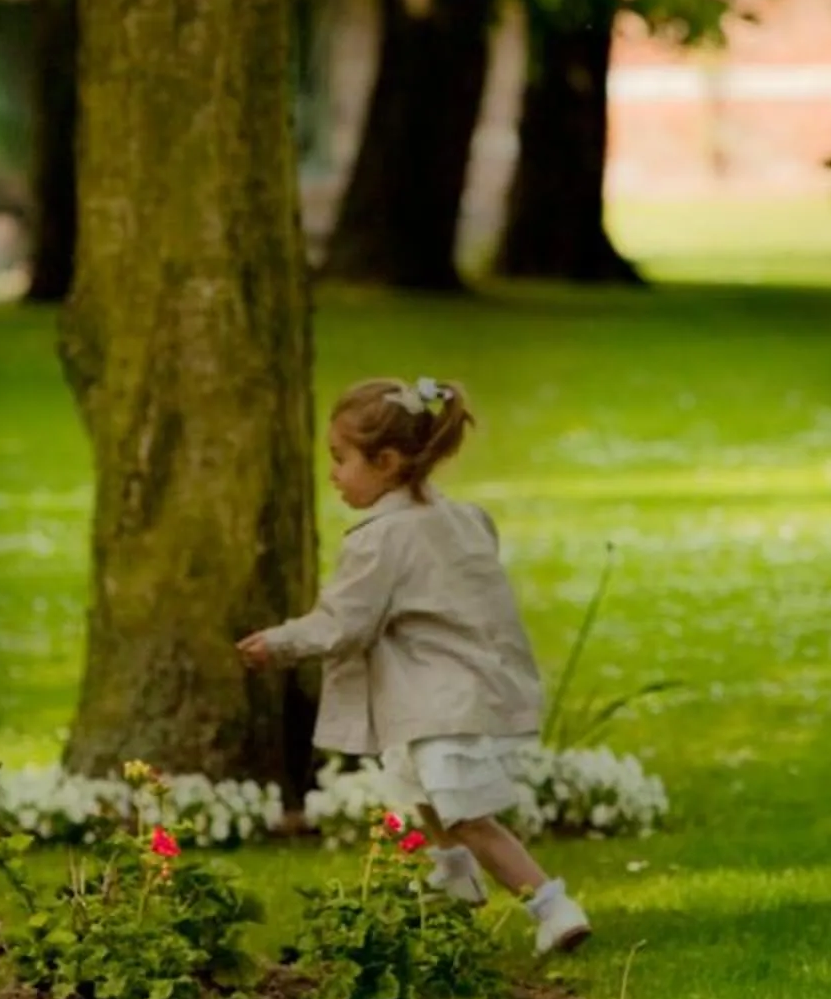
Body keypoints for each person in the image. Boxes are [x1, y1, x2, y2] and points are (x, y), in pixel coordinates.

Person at [241, 375, 591, 954]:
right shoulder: (465, 518)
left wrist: (276, 644)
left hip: (443, 700)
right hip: (465, 686)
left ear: (387, 461)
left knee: (469, 813)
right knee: (421, 787)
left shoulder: (381, 539)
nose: (333, 474)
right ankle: (454, 880)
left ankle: (552, 906)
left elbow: (343, 622)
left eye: (341, 459)